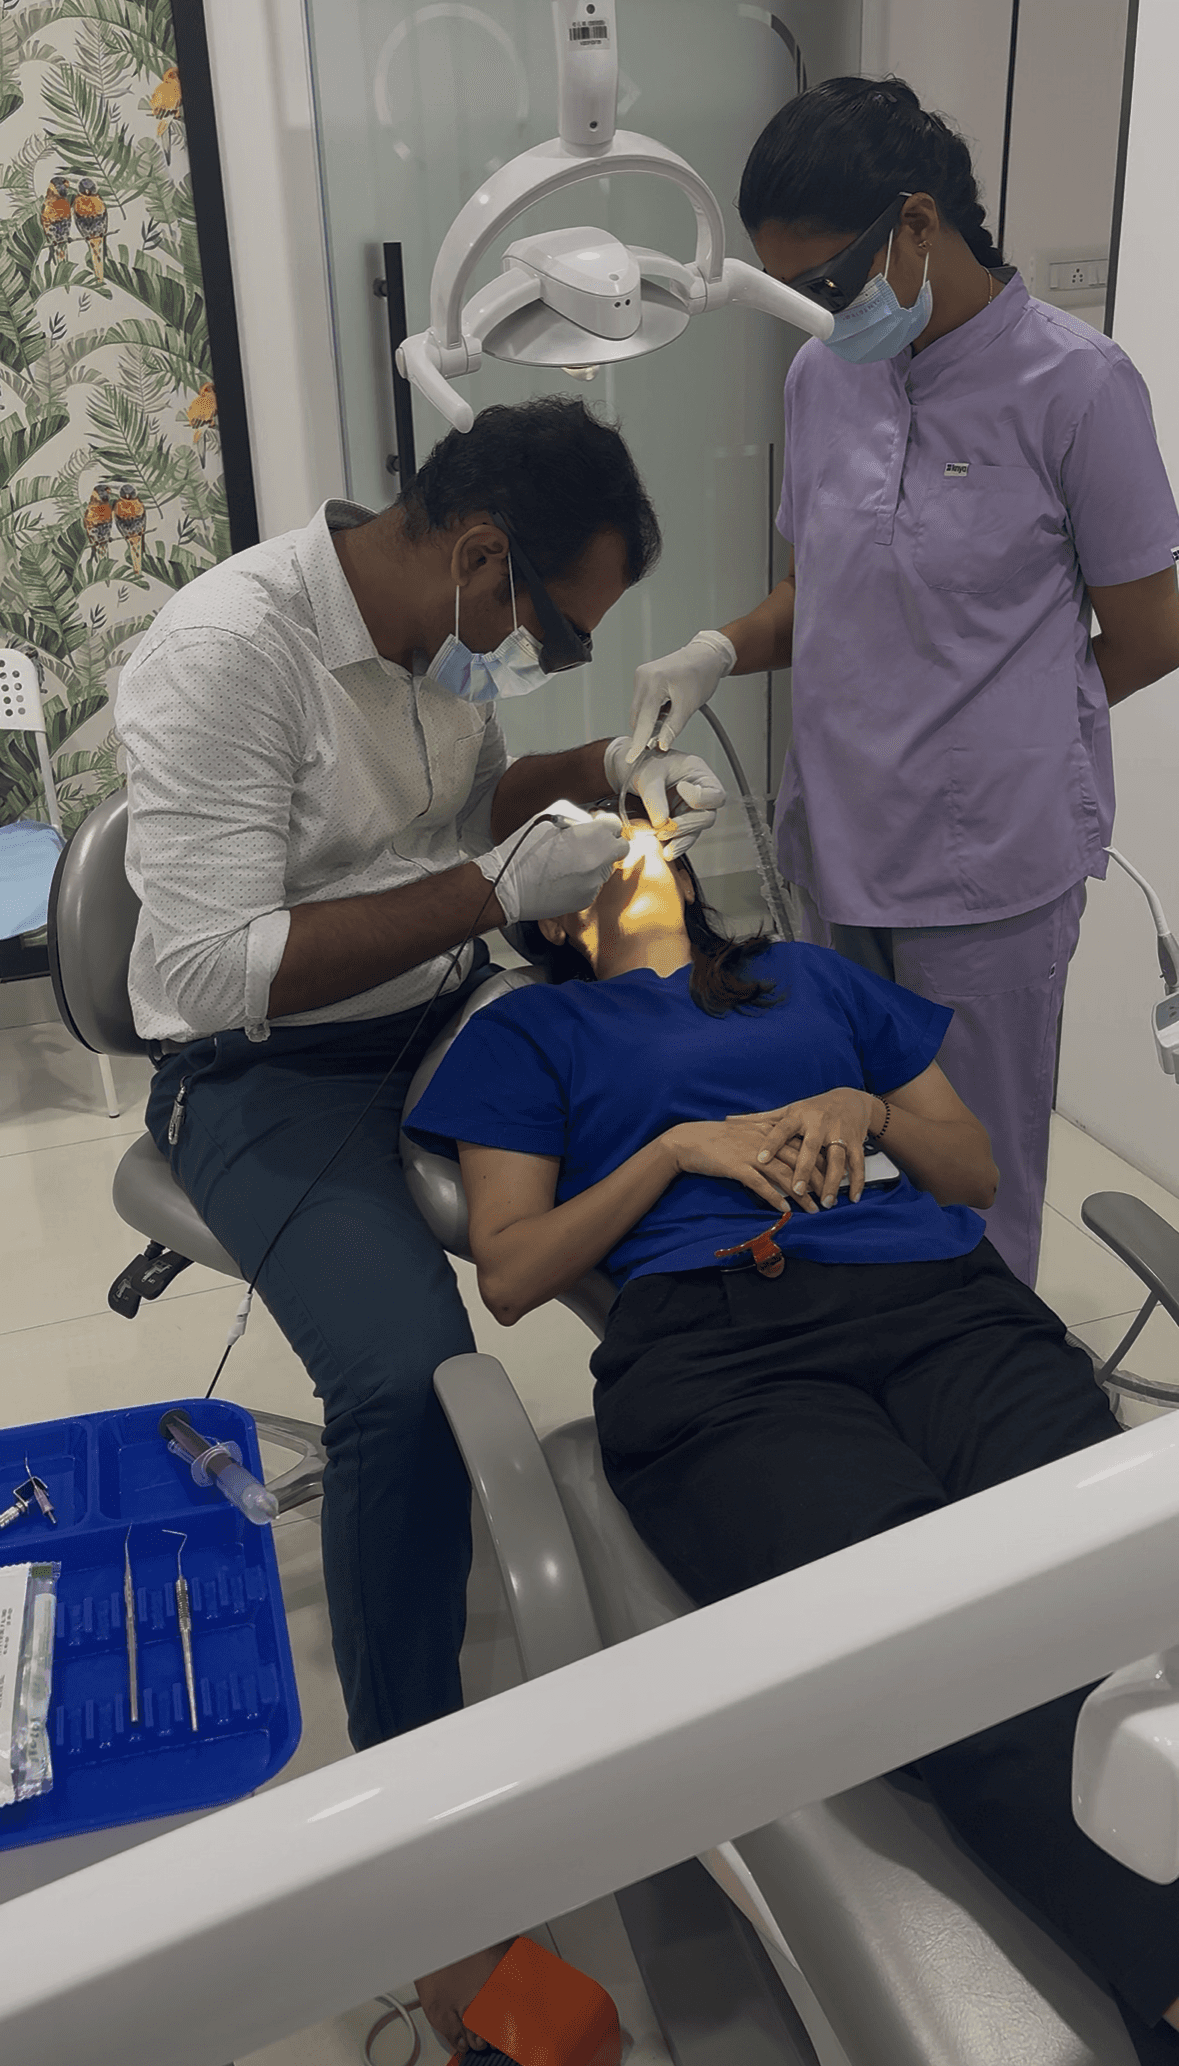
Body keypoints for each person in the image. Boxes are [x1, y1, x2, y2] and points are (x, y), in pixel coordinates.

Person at [405, 818, 1179, 2063]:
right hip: (723, 1356)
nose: (633, 830)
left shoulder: (810, 978)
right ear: (554, 916)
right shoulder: (533, 1032)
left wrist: (865, 1104)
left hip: (945, 1304)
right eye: (594, 842)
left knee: (1118, 1598)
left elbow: (972, 1169)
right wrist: (673, 1149)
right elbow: (511, 1268)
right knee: (944, 1642)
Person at [116, 396, 730, 1770]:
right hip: (267, 1062)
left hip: (451, 1005)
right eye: (560, 630)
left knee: (701, 1181)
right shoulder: (230, 654)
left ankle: (746, 1523)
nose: (554, 654)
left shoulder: (439, 643)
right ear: (480, 553)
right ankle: (416, 1788)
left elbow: (469, 816)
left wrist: (607, 773)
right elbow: (214, 970)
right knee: (405, 1380)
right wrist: (486, 892)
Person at [623, 75, 1179, 1292]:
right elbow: (823, 590)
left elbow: (1150, 625)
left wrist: (1021, 716)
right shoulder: (827, 378)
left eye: (828, 282)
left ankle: (992, 1411)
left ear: (918, 225)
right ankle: (874, 1371)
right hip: (839, 837)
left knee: (973, 1175)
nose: (820, 314)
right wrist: (714, 647)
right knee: (843, 1146)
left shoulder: (1078, 389)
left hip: (988, 872)